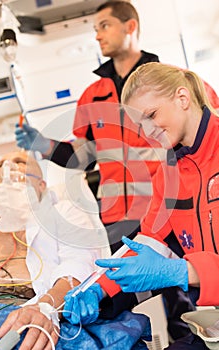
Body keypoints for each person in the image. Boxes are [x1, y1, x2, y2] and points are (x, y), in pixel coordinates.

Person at [14, 0, 219, 342]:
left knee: (181, 306)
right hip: (126, 218)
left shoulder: (176, 80)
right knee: (117, 301)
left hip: (181, 221)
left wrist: (181, 270)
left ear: (130, 26)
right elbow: (81, 156)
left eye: (104, 25)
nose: (97, 35)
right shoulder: (95, 96)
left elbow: (206, 132)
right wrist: (42, 144)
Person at [63, 62, 219, 350]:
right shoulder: (168, 174)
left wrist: (182, 273)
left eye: (152, 116)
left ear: (182, 99)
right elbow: (150, 245)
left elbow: (169, 266)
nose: (147, 132)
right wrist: (96, 290)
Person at [0, 150, 109, 349]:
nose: (8, 168)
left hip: (30, 305)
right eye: (0, 167)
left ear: (41, 185)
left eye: (19, 162)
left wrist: (46, 306)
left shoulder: (64, 213)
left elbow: (79, 263)